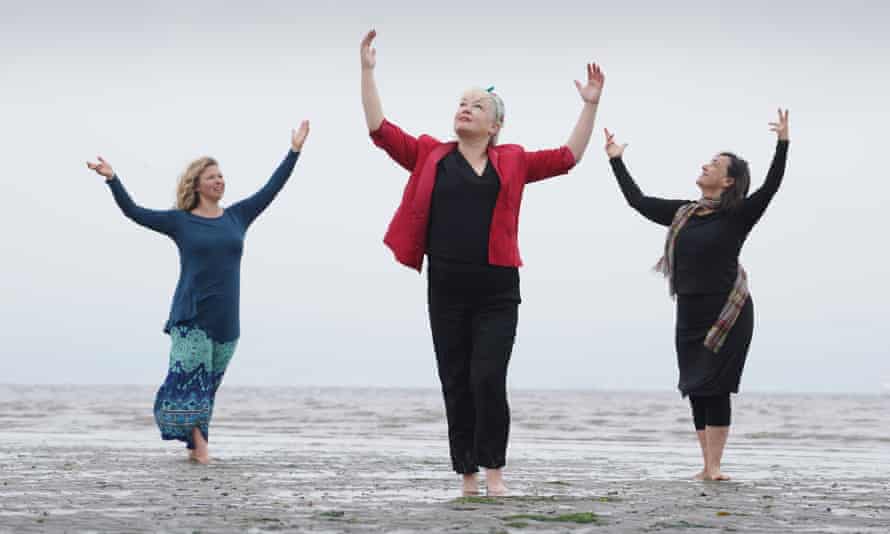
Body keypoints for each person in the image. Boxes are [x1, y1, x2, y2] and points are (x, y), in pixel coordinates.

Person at [360, 29, 603, 495]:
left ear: (495, 126)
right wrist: (368, 72)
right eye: (461, 102)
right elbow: (380, 130)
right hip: (445, 286)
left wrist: (589, 105)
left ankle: (494, 473)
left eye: (477, 104)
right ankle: (467, 476)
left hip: (497, 289)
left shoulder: (512, 160)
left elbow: (568, 156)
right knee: (455, 380)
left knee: (487, 377)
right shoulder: (431, 155)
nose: (465, 107)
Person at [86, 121, 310, 463]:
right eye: (211, 177)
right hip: (191, 316)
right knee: (191, 385)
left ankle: (194, 451)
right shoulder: (181, 221)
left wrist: (294, 151)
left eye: (221, 176)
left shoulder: (238, 217)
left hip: (226, 321)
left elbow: (271, 188)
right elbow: (135, 212)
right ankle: (203, 453)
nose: (219, 181)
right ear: (197, 185)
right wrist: (112, 179)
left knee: (208, 391)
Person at [605, 109, 790, 480]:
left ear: (728, 181)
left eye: (715, 164)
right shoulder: (684, 214)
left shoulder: (738, 214)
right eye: (707, 161)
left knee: (716, 386)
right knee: (695, 385)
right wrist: (616, 161)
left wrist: (783, 143)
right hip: (689, 311)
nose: (706, 166)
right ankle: (705, 465)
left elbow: (770, 186)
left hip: (728, 313)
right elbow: (638, 201)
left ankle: (715, 467)